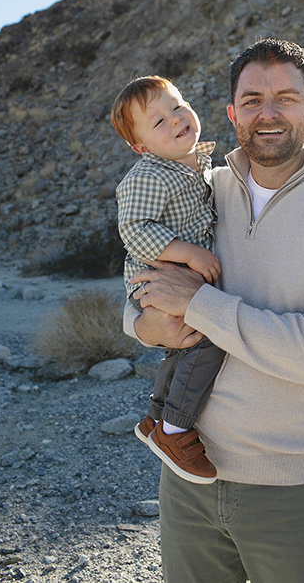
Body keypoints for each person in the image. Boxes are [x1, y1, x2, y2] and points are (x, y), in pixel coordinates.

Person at [123, 39, 304, 582]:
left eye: (286, 98)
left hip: (291, 488)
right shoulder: (203, 188)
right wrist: (149, 324)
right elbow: (140, 286)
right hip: (188, 475)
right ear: (231, 113)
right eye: (252, 100)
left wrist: (199, 304)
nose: (267, 113)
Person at [110, 75, 223, 484]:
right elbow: (135, 230)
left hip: (173, 279)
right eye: (158, 122)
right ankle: (175, 430)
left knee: (182, 347)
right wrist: (189, 253)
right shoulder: (149, 175)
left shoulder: (198, 166)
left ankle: (156, 417)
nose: (175, 119)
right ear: (141, 147)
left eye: (177, 106)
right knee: (208, 338)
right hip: (155, 279)